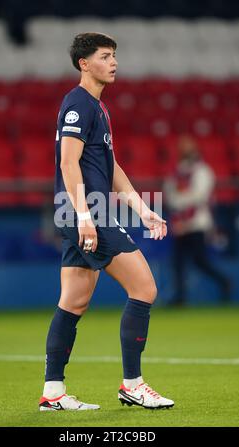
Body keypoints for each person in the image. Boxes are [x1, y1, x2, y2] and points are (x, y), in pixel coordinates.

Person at [39, 33, 174, 411]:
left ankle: (53, 393)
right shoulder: (78, 104)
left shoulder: (98, 108)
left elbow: (110, 167)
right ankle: (133, 384)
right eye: (104, 56)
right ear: (84, 63)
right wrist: (84, 216)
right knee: (144, 288)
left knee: (73, 302)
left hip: (85, 212)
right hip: (88, 213)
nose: (113, 62)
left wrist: (142, 209)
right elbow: (68, 163)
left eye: (115, 55)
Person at [164, 135, 231, 306]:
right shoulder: (177, 171)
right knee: (178, 263)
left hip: (197, 223)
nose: (184, 150)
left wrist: (180, 204)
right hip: (179, 223)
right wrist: (178, 210)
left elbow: (199, 197)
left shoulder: (202, 171)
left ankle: (224, 282)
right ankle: (180, 298)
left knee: (200, 261)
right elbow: (170, 195)